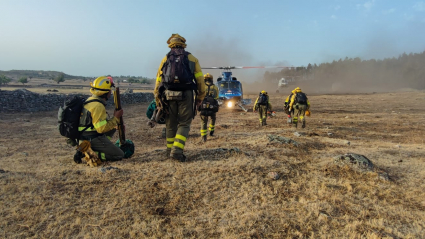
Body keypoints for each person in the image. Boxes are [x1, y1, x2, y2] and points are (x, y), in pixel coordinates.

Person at [154, 33, 206, 162]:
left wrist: (157, 99)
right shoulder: (192, 58)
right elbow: (200, 81)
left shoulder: (165, 58)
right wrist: (200, 97)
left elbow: (158, 81)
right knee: (184, 123)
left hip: (168, 94)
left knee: (170, 124)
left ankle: (169, 151)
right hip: (186, 94)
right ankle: (176, 151)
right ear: (183, 44)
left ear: (171, 45)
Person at [76, 76, 124, 162]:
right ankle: (88, 153)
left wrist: (114, 125)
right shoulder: (98, 106)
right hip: (92, 138)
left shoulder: (90, 100)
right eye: (109, 90)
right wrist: (116, 118)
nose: (111, 92)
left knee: (113, 128)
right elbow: (101, 129)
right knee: (119, 154)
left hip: (83, 137)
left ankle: (86, 148)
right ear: (105, 92)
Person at [200, 73, 219, 142]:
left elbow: (198, 96)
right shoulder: (215, 87)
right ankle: (211, 131)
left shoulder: (202, 87)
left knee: (203, 121)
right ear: (211, 79)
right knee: (213, 119)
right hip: (212, 107)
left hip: (203, 107)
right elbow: (217, 97)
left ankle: (203, 137)